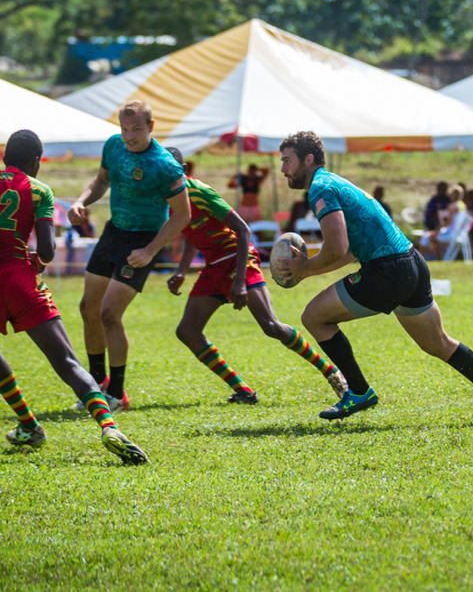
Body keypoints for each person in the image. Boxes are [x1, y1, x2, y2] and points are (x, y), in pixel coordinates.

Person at [273, 131, 473, 424]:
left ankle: (359, 391)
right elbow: (349, 253)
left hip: (387, 272)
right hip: (412, 265)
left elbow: (337, 248)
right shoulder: (335, 182)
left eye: (287, 161)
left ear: (308, 159)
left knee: (314, 317)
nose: (283, 169)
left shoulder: (321, 188)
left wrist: (306, 268)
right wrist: (309, 269)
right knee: (437, 343)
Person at [0, 129, 147, 464]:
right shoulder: (39, 190)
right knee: (66, 361)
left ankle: (27, 422)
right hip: (21, 279)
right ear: (36, 161)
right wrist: (37, 257)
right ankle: (109, 427)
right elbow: (49, 250)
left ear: (6, 156)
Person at [164, 148, 347, 404]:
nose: (162, 175)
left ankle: (332, 372)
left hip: (238, 260)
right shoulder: (170, 198)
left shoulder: (198, 191)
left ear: (182, 171)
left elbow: (243, 229)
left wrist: (239, 280)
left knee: (271, 326)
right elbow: (189, 233)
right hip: (214, 266)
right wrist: (182, 272)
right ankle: (243, 391)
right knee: (187, 331)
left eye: (168, 170)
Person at [67, 100, 191, 411]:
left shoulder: (164, 165)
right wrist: (81, 201)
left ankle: (118, 394)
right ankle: (96, 388)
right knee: (87, 309)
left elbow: (182, 215)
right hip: (113, 233)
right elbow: (102, 181)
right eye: (124, 128)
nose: (129, 136)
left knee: (110, 314)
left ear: (151, 127)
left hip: (143, 241)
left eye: (136, 129)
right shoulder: (114, 146)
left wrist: (150, 250)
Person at [420, 184, 467, 260]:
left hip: (450, 234)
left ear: (452, 195)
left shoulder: (451, 206)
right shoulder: (463, 206)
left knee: (428, 236)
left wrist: (439, 228)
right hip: (459, 234)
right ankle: (433, 257)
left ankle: (423, 258)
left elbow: (448, 223)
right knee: (433, 237)